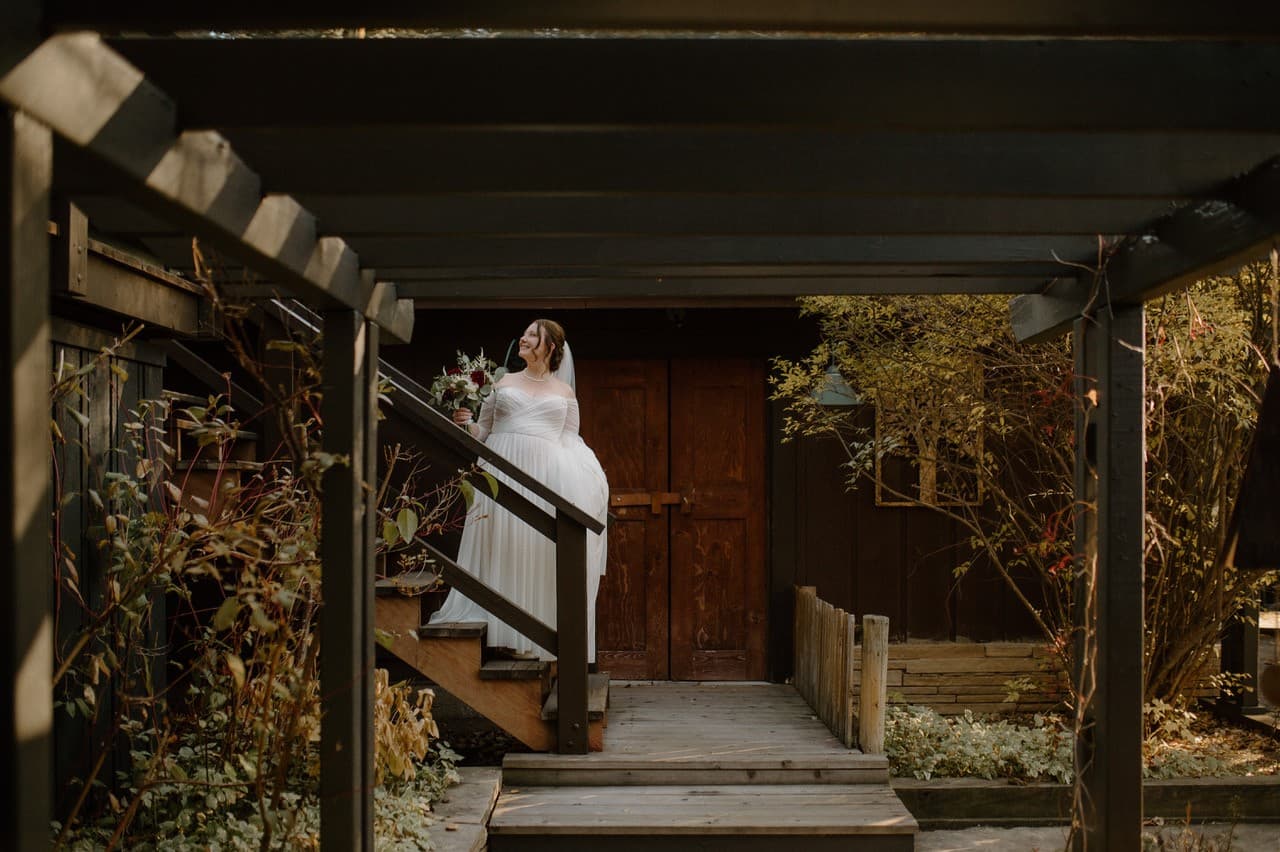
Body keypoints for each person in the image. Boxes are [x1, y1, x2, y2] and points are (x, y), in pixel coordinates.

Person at [427, 319, 609, 661]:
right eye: (524, 334)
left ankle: (533, 639)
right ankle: (499, 631)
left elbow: (570, 439)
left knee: (534, 547)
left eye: (531, 335)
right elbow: (484, 430)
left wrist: (584, 478)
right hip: (502, 467)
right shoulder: (502, 381)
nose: (522, 339)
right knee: (502, 544)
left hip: (545, 475)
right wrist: (466, 423)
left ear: (549, 347)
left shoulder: (564, 393)